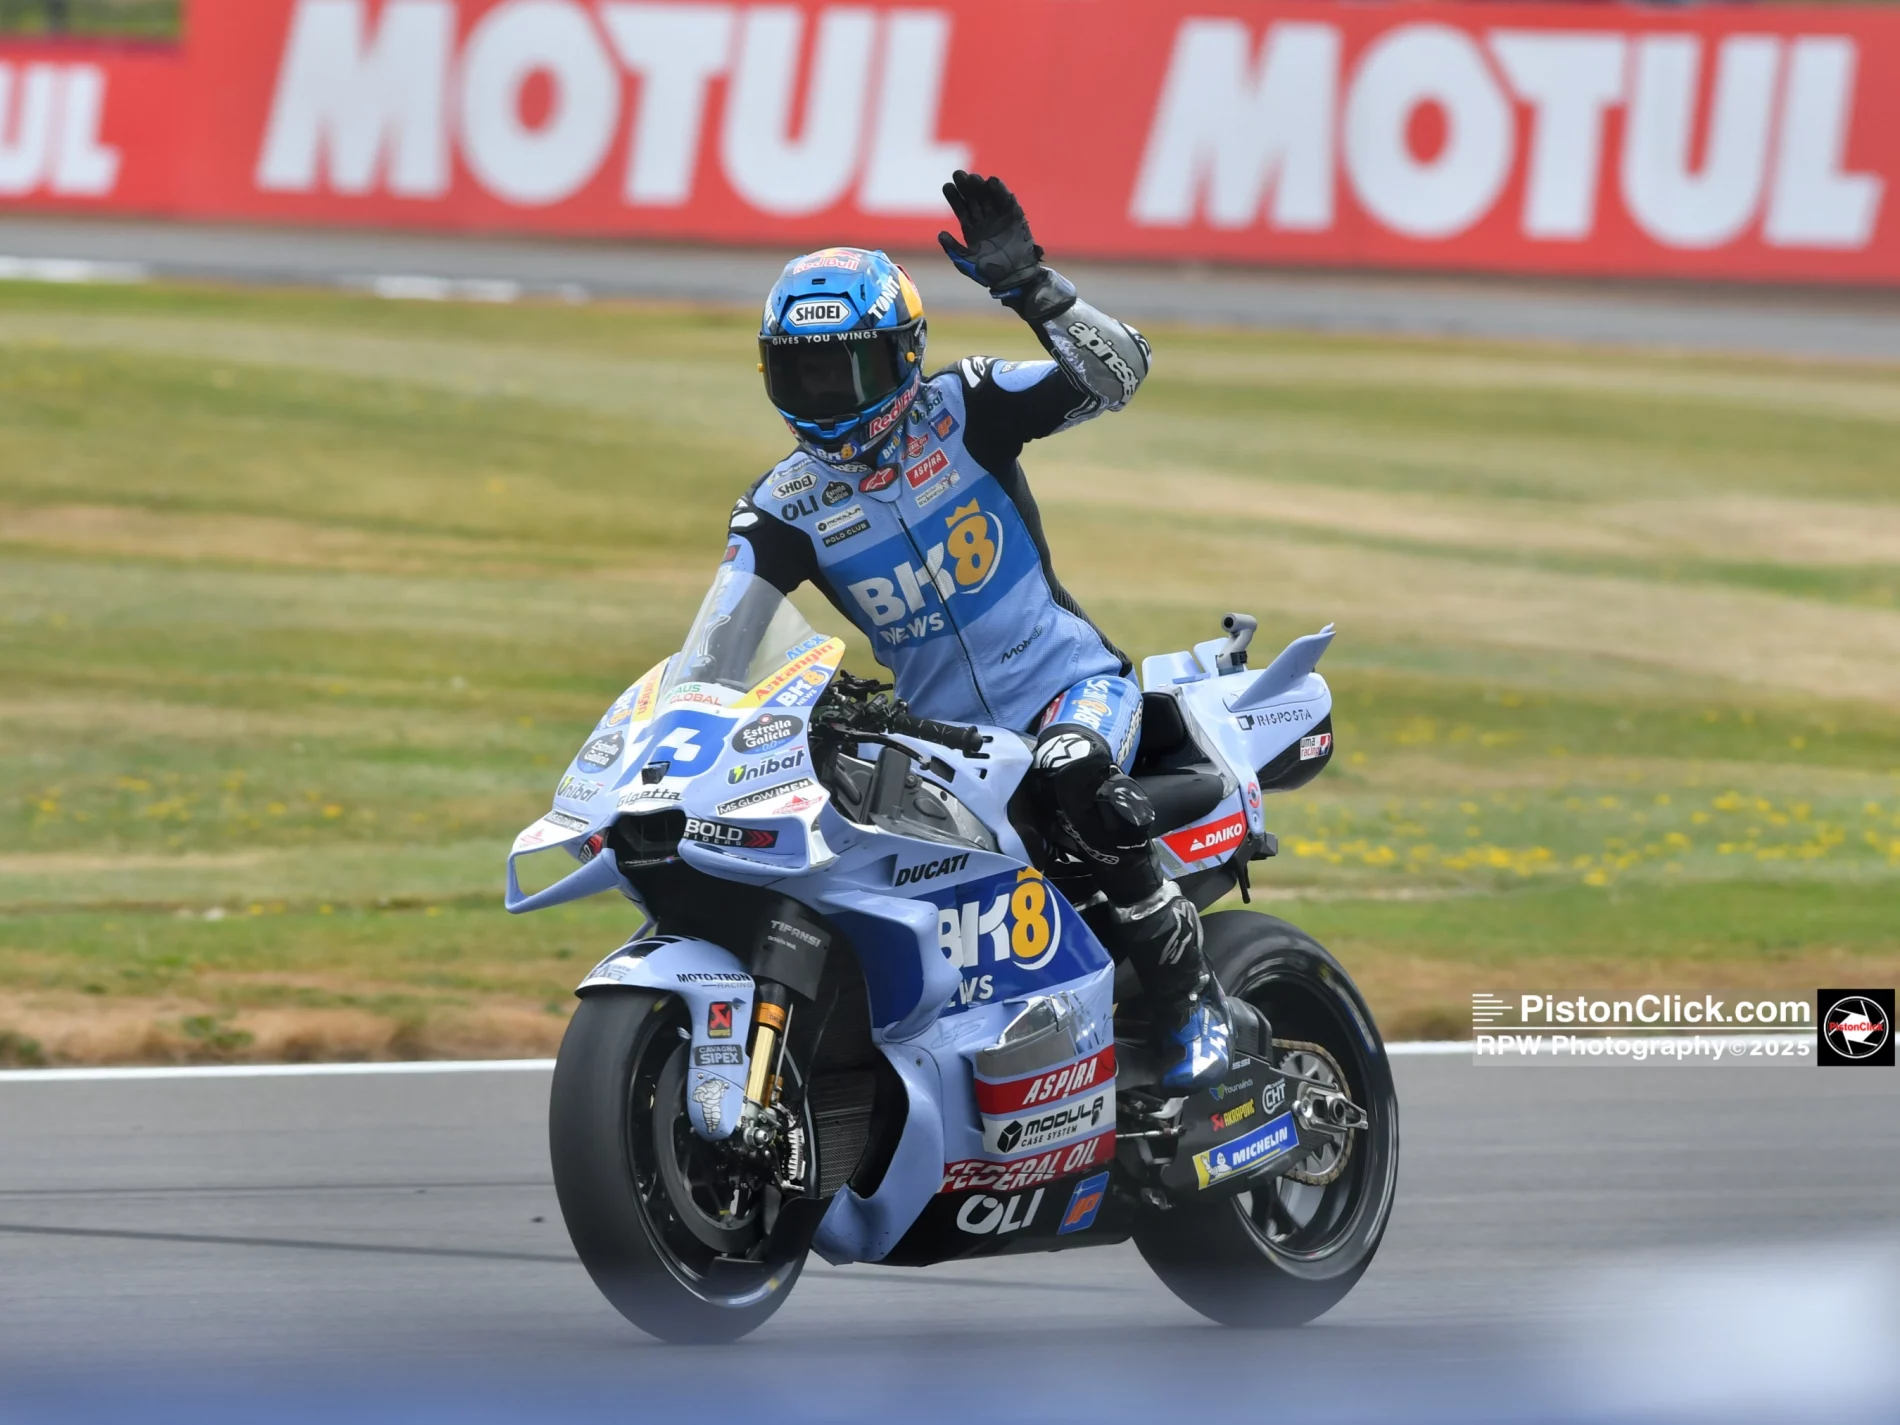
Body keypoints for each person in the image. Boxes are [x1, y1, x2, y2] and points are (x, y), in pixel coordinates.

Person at [723, 171, 1229, 1091]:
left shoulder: (967, 405)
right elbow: (718, 648)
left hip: (1071, 687)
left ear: (907, 354)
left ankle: (1192, 991)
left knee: (1070, 767)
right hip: (936, 743)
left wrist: (1031, 287)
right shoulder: (780, 506)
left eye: (856, 368)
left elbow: (1122, 372)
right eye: (807, 372)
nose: (835, 395)